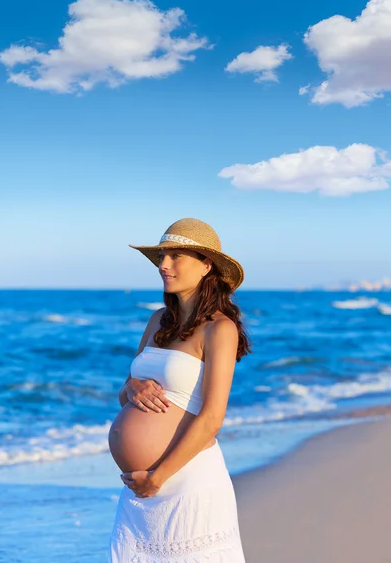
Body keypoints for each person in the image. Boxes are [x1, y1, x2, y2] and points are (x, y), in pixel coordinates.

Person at [108, 218, 251, 562]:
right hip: (140, 488)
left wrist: (158, 477)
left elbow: (213, 417)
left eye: (175, 256)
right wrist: (132, 384)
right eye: (161, 256)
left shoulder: (220, 329)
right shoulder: (158, 320)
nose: (164, 265)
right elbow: (124, 396)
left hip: (184, 478)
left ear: (205, 266)